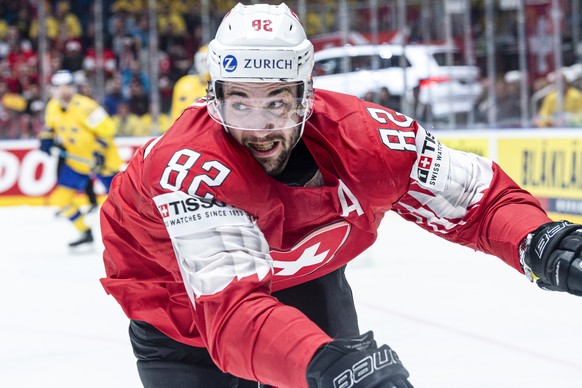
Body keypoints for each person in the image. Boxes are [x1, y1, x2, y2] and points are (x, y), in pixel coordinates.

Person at [99, 4, 582, 388]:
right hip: (180, 315)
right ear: (214, 97)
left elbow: (477, 200)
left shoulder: (368, 138)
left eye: (277, 101)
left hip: (305, 281)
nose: (259, 126)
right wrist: (323, 363)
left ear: (306, 94)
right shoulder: (189, 169)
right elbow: (232, 316)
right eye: (239, 101)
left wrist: (542, 242)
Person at [39, 70, 122, 247]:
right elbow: (50, 126)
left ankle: (136, 236)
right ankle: (85, 232)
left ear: (74, 88)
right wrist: (46, 138)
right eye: (59, 87)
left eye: (68, 86)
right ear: (52, 89)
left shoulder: (86, 107)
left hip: (103, 161)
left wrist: (99, 153)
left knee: (121, 202)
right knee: (60, 200)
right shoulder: (52, 106)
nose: (64, 91)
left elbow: (108, 131)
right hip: (76, 162)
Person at [170, 44, 210, 121]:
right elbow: (175, 113)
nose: (205, 65)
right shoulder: (183, 83)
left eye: (208, 61)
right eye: (203, 61)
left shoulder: (221, 86)